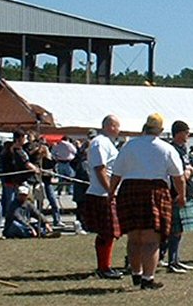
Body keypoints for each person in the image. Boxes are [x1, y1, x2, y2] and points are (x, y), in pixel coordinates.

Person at [110, 113, 185, 290]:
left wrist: (111, 192)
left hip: (130, 190)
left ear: (145, 127)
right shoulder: (166, 148)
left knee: (134, 237)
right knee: (151, 240)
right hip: (155, 190)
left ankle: (136, 274)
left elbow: (116, 173)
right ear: (161, 130)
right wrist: (182, 196)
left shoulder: (129, 146)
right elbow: (178, 177)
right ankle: (147, 279)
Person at [80, 115, 123, 280]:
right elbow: (100, 168)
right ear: (110, 126)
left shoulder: (107, 143)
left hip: (106, 192)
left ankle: (105, 266)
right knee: (107, 232)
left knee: (109, 232)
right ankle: (104, 267)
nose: (119, 130)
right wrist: (109, 190)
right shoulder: (100, 143)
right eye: (117, 126)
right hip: (101, 193)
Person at [159, 120, 193, 274]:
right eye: (186, 132)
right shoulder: (172, 150)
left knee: (179, 229)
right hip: (175, 194)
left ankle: (175, 259)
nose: (188, 135)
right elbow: (176, 174)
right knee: (173, 230)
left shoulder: (183, 150)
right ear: (179, 133)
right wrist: (188, 172)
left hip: (185, 192)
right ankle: (171, 261)